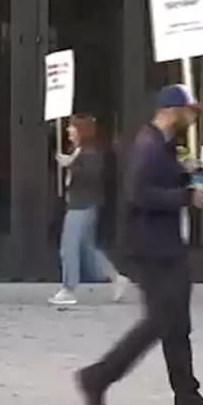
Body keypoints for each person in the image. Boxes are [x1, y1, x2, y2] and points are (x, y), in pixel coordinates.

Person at [74, 85, 203, 405]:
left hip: (166, 245)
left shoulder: (160, 145)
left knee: (177, 323)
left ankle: (187, 396)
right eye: (190, 111)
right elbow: (138, 193)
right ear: (173, 109)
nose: (192, 118)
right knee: (160, 321)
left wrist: (184, 172)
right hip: (151, 247)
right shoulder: (148, 146)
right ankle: (98, 376)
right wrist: (185, 197)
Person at [48, 114, 130, 306]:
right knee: (88, 248)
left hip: (83, 204)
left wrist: (70, 165)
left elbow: (92, 176)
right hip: (82, 203)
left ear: (81, 130)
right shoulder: (81, 150)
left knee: (69, 246)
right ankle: (116, 277)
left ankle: (69, 288)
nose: (68, 130)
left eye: (72, 127)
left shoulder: (90, 152)